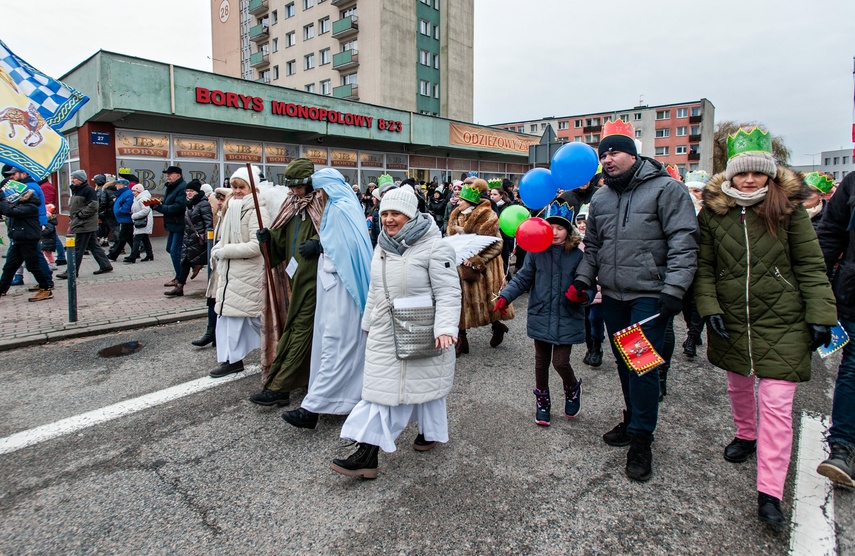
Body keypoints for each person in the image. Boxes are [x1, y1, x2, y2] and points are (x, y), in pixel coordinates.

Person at [694, 127, 837, 529]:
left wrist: (821, 314)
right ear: (731, 174)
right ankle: (745, 434)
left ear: (770, 174)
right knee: (738, 383)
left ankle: (770, 493)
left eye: (758, 172)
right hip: (732, 316)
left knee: (776, 404)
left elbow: (810, 264)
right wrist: (708, 307)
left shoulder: (787, 210)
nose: (750, 179)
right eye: (742, 173)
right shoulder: (713, 213)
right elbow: (704, 267)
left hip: (783, 318)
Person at [569, 119, 698, 482]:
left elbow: (684, 242)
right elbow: (593, 247)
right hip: (613, 295)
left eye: (614, 153)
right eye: (603, 155)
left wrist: (675, 288)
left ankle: (642, 438)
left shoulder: (666, 189)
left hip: (649, 296)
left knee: (641, 364)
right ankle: (632, 419)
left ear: (633, 155)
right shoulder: (602, 197)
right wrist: (583, 278)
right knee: (626, 362)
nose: (607, 160)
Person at [330, 185, 461, 479]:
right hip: (384, 329)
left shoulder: (436, 247)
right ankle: (378, 450)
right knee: (382, 390)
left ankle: (374, 452)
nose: (388, 219)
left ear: (410, 215)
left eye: (396, 213)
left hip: (421, 328)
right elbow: (375, 290)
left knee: (413, 386)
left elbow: (449, 292)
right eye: (385, 213)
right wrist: (367, 322)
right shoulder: (382, 246)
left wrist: (445, 327)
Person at [279, 168, 374, 429]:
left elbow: (348, 247)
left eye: (320, 191)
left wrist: (322, 246)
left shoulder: (342, 208)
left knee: (336, 342)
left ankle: (313, 406)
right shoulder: (336, 206)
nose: (318, 196)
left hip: (343, 288)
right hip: (331, 287)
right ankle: (338, 399)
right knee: (329, 342)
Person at [493, 200, 591, 425]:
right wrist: (506, 296)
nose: (555, 232)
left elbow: (589, 284)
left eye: (560, 228)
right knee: (541, 362)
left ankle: (572, 388)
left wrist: (582, 295)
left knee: (561, 362)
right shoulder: (537, 252)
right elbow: (523, 278)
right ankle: (542, 401)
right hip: (541, 313)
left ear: (569, 230)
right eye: (551, 227)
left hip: (568, 315)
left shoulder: (579, 255)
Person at [252, 158, 325, 406]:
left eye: (299, 186)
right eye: (291, 186)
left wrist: (320, 245)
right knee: (296, 327)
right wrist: (268, 238)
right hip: (294, 278)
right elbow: (282, 240)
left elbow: (343, 237)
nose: (295, 191)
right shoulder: (291, 205)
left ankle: (280, 387)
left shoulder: (324, 203)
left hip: (317, 280)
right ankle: (302, 378)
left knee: (300, 328)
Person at [816, 170, 855, 488]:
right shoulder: (853, 184)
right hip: (853, 293)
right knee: (853, 368)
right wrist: (818, 295)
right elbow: (830, 236)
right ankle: (842, 447)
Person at [208, 167, 267, 377]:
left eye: (242, 187)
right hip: (231, 274)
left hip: (247, 274)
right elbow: (225, 239)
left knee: (250, 320)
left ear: (252, 188)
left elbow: (257, 246)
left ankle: (277, 352)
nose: (237, 191)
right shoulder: (233, 207)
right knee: (229, 319)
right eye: (234, 187)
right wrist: (217, 249)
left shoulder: (257, 210)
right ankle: (231, 360)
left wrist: (225, 251)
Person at [447, 183, 514, 355]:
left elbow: (497, 245)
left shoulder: (488, 216)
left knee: (488, 303)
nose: (457, 202)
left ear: (470, 201)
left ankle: (497, 326)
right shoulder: (455, 215)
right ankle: (461, 339)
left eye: (461, 200)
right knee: (461, 303)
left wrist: (476, 260)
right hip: (460, 267)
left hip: (486, 269)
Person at [0, 179, 52, 301]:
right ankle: (2, 288)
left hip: (28, 240)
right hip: (19, 239)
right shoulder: (20, 204)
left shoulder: (30, 206)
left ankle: (46, 289)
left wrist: (1, 198)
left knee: (33, 266)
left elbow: (9, 212)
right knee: (9, 267)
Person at [57, 170, 113, 279]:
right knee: (94, 245)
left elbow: (93, 206)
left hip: (84, 224)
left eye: (75, 178)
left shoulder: (88, 190)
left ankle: (71, 271)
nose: (72, 180)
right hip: (81, 222)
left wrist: (80, 215)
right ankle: (105, 265)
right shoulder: (76, 190)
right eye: (72, 178)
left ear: (81, 179)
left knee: (78, 249)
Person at [193, 187, 229, 349]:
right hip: (218, 264)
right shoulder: (221, 216)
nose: (219, 203)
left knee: (220, 300)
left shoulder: (231, 215)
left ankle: (216, 333)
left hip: (227, 264)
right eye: (218, 200)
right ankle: (211, 331)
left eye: (222, 200)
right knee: (212, 297)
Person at [164, 180, 213, 297]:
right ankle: (179, 287)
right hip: (189, 239)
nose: (188, 193)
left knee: (209, 262)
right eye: (187, 191)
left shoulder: (203, 204)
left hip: (200, 240)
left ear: (197, 192)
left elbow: (208, 221)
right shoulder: (189, 204)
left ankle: (212, 287)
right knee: (185, 261)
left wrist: (208, 238)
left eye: (191, 191)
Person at [681, 170, 710, 358]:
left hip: (702, 262)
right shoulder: (682, 209)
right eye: (690, 190)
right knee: (685, 301)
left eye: (697, 191)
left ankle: (692, 336)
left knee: (697, 300)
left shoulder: (708, 213)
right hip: (684, 260)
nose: (692, 195)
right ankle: (691, 328)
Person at [150, 166, 187, 288]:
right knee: (169, 249)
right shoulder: (171, 187)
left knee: (175, 251)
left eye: (170, 174)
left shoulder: (182, 187)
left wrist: (160, 208)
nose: (168, 176)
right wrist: (157, 204)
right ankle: (190, 264)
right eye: (167, 174)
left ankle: (180, 278)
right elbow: (168, 203)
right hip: (172, 223)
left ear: (178, 175)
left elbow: (178, 207)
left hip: (179, 223)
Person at [124, 184, 154, 263]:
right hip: (141, 221)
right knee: (145, 239)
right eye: (132, 191)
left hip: (143, 222)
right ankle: (149, 255)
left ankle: (133, 256)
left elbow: (145, 210)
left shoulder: (143, 199)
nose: (133, 192)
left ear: (139, 191)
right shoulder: (137, 199)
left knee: (136, 239)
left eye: (134, 191)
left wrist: (134, 215)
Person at [489, 184, 514, 271]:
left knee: (503, 263)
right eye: (491, 194)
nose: (492, 196)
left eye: (495, 194)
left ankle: (507, 277)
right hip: (493, 237)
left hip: (504, 238)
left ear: (501, 196)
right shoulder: (489, 205)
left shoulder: (507, 206)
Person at [107, 179, 134, 261]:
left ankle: (113, 255)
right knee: (129, 238)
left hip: (126, 219)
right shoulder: (122, 193)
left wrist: (119, 210)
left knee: (122, 238)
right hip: (123, 218)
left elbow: (128, 206)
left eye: (118, 184)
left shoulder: (128, 194)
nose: (116, 185)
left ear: (123, 185)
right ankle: (136, 252)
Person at [40, 204, 58, 269]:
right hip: (47, 241)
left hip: (48, 241)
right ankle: (49, 263)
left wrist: (42, 231)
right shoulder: (49, 223)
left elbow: (47, 231)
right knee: (44, 253)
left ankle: (52, 263)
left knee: (47, 254)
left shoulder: (49, 224)